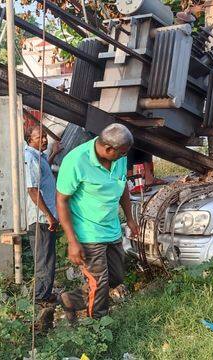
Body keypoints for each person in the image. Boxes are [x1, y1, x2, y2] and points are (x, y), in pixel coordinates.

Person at [56, 123, 140, 321]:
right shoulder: (76, 161)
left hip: (111, 230)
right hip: (87, 233)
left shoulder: (119, 158)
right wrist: (72, 241)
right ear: (108, 148)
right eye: (121, 153)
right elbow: (61, 200)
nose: (123, 157)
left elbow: (123, 187)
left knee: (116, 277)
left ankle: (71, 300)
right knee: (100, 281)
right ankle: (98, 327)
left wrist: (130, 218)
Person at [23, 125, 60, 331]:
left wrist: (53, 154)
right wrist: (48, 215)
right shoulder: (30, 157)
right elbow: (32, 189)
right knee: (44, 258)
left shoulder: (39, 156)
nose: (44, 140)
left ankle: (44, 293)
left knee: (47, 256)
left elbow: (44, 177)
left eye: (45, 136)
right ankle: (40, 299)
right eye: (40, 137)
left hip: (45, 217)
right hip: (40, 218)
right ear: (30, 139)